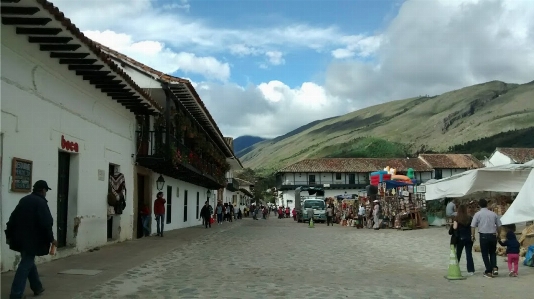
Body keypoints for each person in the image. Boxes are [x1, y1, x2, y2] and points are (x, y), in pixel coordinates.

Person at [5, 180, 54, 298]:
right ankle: (16, 294)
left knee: (28, 261)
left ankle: (37, 287)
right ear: (43, 190)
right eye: (46, 190)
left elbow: (12, 218)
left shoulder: (24, 200)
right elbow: (46, 223)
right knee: (25, 265)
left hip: (19, 238)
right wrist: (52, 239)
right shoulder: (41, 203)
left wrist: (9, 235)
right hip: (32, 240)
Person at [471, 198, 501, 278]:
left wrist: (472, 236)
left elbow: (473, 226)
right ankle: (494, 267)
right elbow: (499, 225)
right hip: (493, 235)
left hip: (483, 235)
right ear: (487, 205)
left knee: (485, 254)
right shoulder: (493, 214)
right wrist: (499, 234)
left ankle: (488, 271)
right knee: (492, 252)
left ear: (479, 205)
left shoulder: (477, 214)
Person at [453, 205, 475, 275]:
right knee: (469, 253)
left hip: (460, 238)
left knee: (458, 254)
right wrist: (472, 236)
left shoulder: (457, 218)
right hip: (468, 237)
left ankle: (455, 267)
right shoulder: (470, 218)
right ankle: (471, 270)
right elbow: (472, 227)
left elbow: (455, 227)